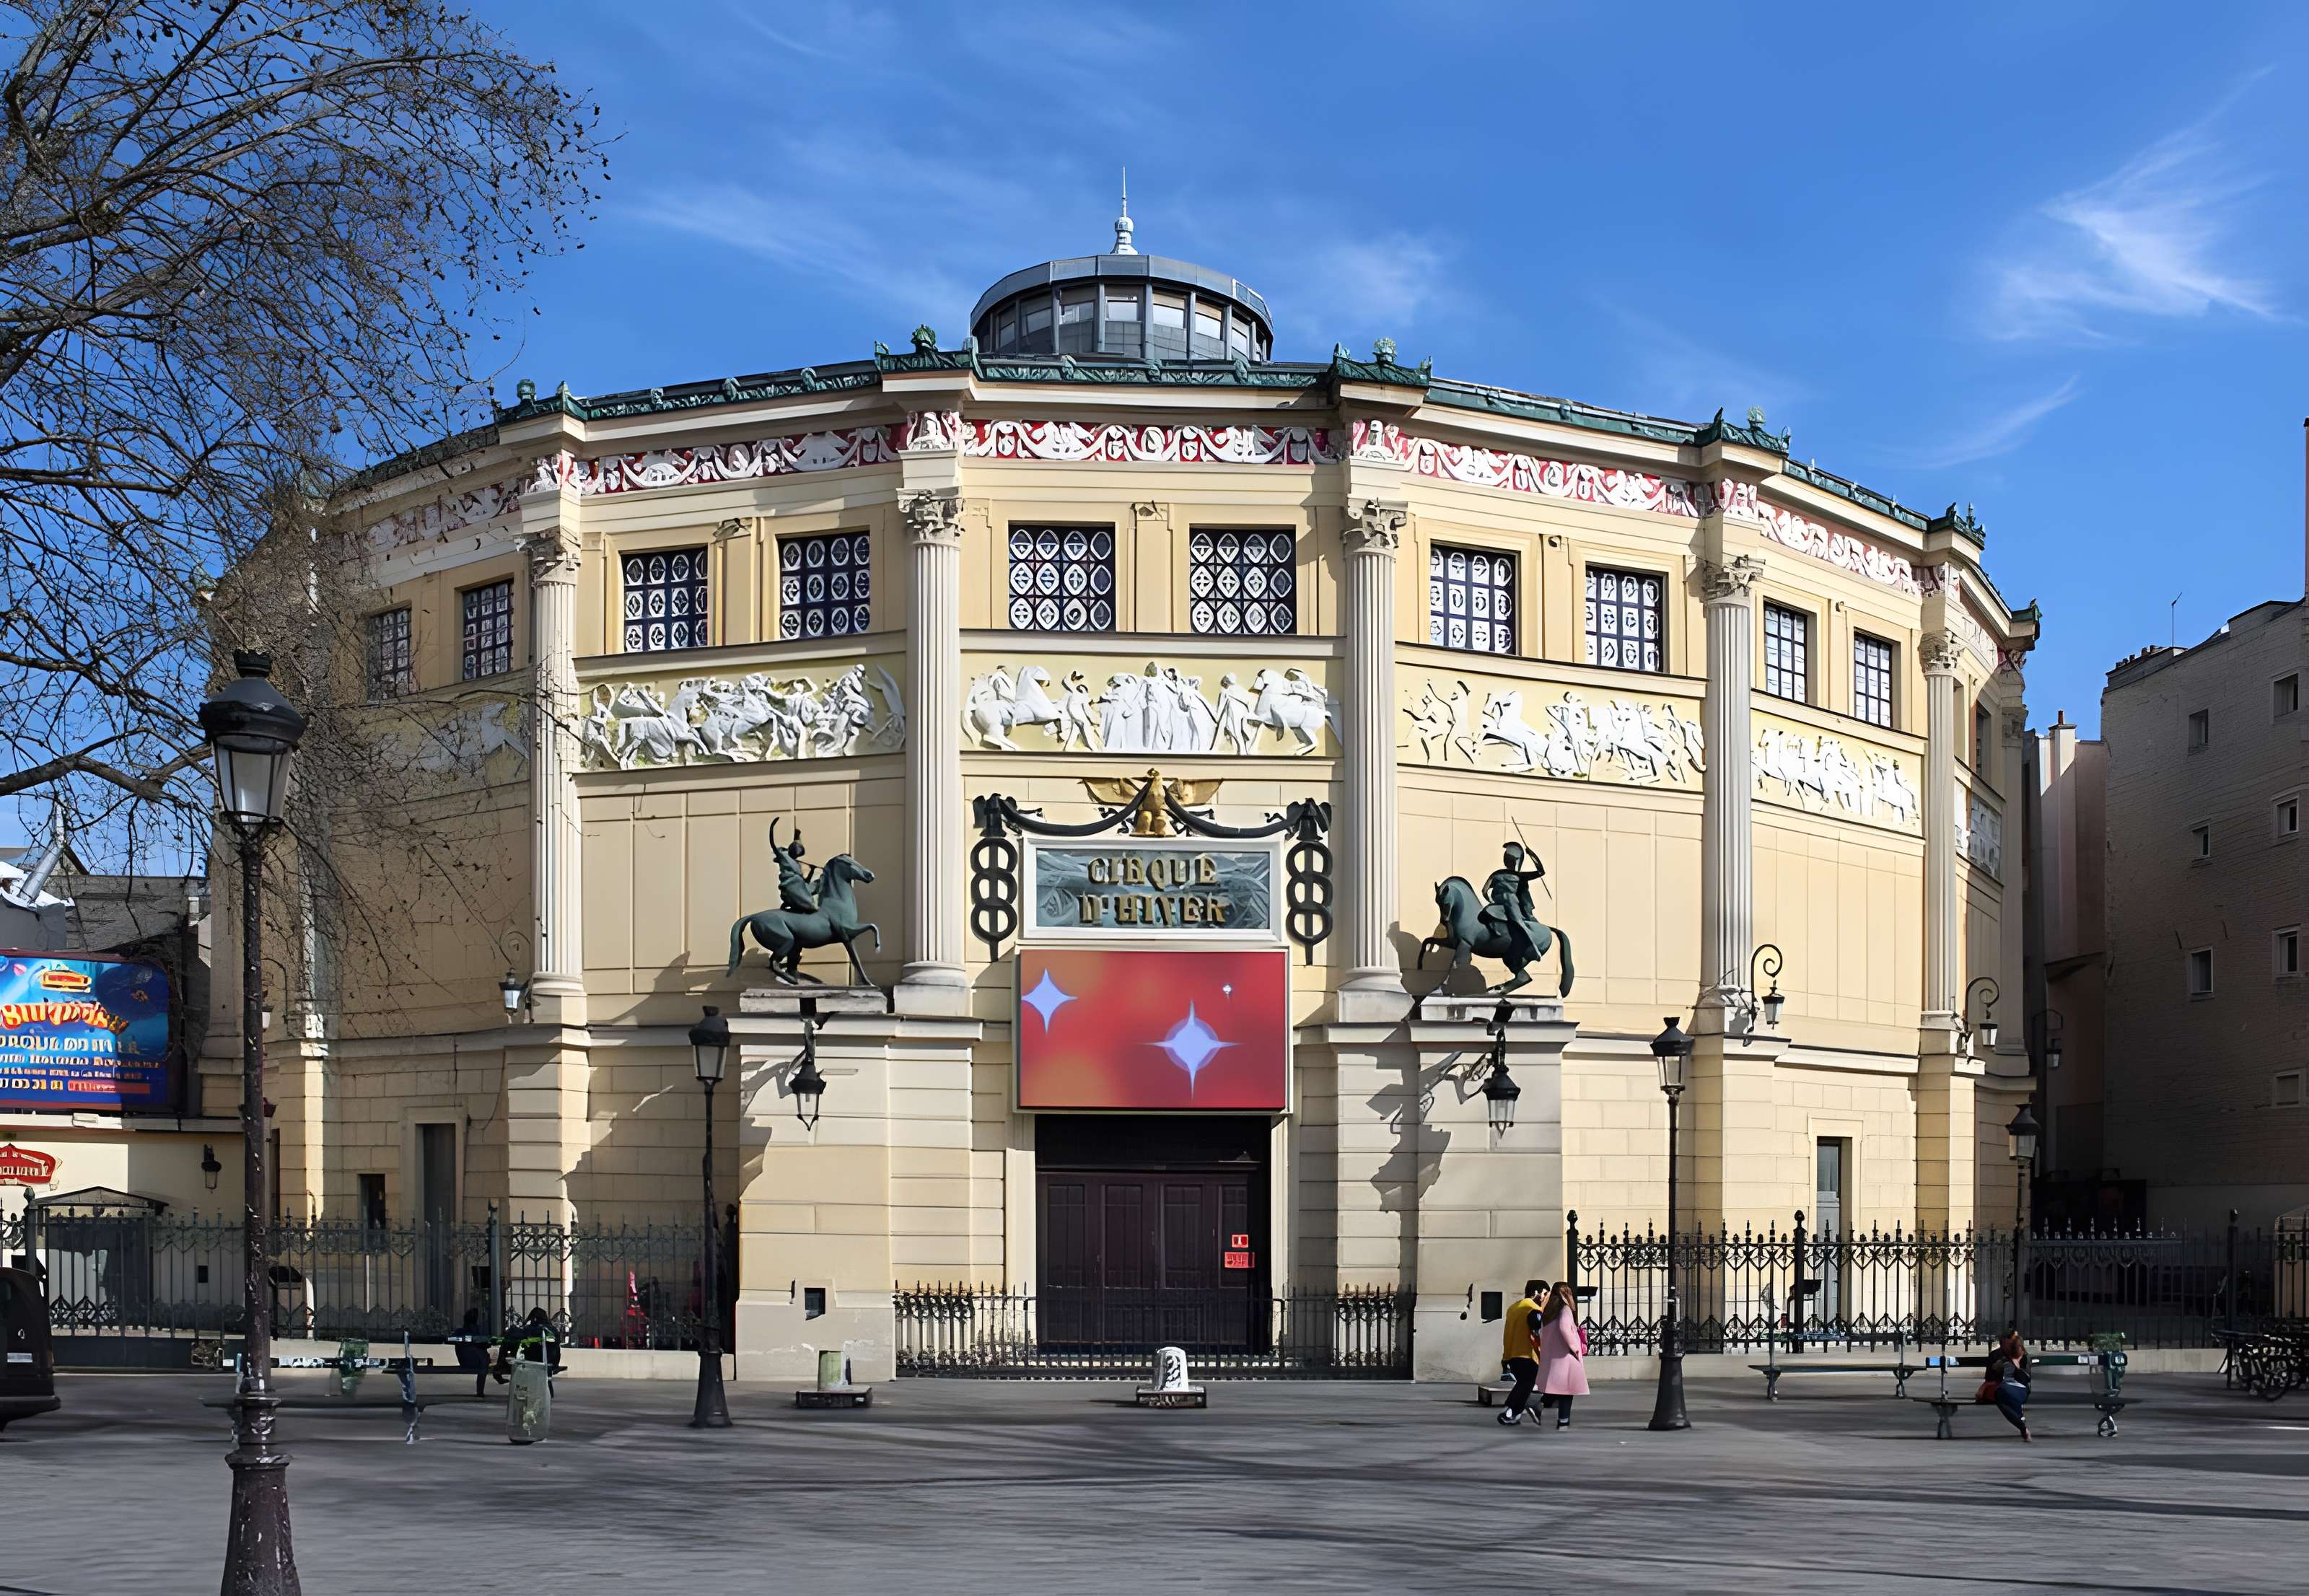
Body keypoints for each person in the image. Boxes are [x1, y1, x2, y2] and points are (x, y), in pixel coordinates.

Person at [1479, 841, 1548, 968]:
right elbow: (1484, 891)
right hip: (1499, 903)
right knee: (1484, 914)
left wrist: (1532, 855)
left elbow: (1540, 872)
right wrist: (1491, 901)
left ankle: (1534, 947)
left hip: (1511, 902)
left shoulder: (1517, 876)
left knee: (1517, 921)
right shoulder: (1499, 874)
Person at [1535, 1282, 1590, 1429]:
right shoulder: (1565, 1310)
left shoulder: (1549, 1311)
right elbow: (1564, 1328)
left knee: (1556, 1389)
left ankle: (1537, 1405)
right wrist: (1575, 1348)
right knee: (1567, 1391)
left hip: (1554, 1357)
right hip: (1566, 1356)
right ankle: (1563, 1421)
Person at [1495, 1278, 1548, 1427]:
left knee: (1523, 1383)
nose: (1545, 1298)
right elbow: (1536, 1328)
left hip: (1512, 1354)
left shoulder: (1513, 1308)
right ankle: (1510, 1412)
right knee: (1527, 1384)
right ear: (1536, 1292)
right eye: (1544, 1294)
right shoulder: (1533, 1309)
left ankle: (1515, 1413)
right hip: (1527, 1354)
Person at [492, 1307, 564, 1383]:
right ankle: (499, 1368)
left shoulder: (531, 1329)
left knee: (509, 1343)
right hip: (549, 1360)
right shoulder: (552, 1329)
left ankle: (499, 1368)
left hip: (534, 1358)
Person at [1984, 1328, 2031, 1442]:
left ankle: (2022, 1425)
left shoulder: (2022, 1357)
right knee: (2001, 1398)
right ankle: (2021, 1423)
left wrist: (2005, 1365)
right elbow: (1989, 1376)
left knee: (2000, 1396)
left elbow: (2024, 1376)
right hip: (2008, 1389)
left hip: (2013, 1389)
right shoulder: (1999, 1356)